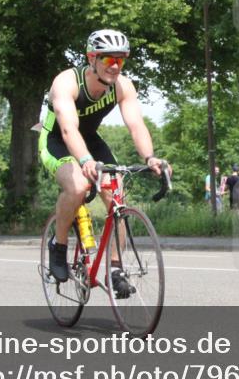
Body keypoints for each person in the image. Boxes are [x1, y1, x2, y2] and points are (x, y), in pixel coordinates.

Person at [38, 29, 166, 293]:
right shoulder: (66, 83)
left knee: (116, 193)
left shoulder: (123, 85)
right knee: (77, 186)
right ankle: (58, 245)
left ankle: (115, 268)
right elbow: (68, 129)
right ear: (92, 58)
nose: (115, 66)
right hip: (57, 139)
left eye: (121, 60)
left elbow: (135, 125)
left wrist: (150, 157)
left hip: (90, 138)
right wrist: (84, 160)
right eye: (109, 59)